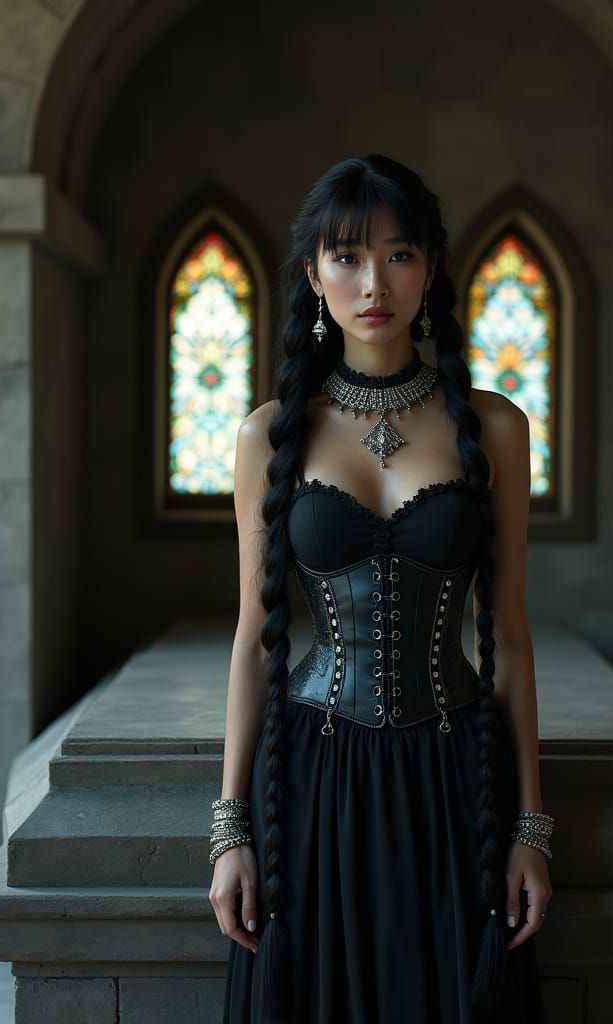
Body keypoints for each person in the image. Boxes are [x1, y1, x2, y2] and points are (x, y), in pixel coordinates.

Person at [209, 154, 554, 1023]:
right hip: (313, 783)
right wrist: (230, 831)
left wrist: (530, 830)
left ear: (431, 270)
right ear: (314, 273)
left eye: (399, 255)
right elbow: (255, 639)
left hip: (453, 779)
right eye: (347, 256)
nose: (374, 283)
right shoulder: (269, 435)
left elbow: (507, 637)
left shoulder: (496, 427)